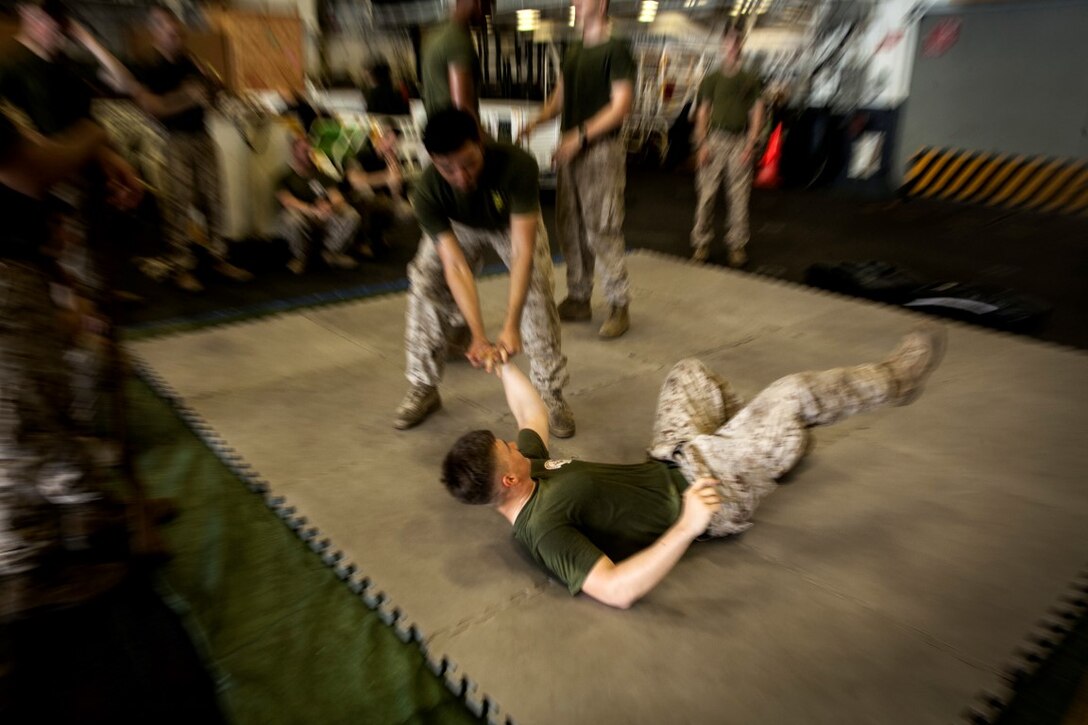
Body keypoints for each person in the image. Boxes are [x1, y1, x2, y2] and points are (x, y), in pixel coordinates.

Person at [441, 323, 947, 609]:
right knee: (791, 395)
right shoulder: (544, 529)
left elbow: (529, 412)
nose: (515, 443)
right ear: (507, 480)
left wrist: (502, 363)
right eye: (508, 449)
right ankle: (898, 381)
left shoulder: (525, 474)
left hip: (674, 455)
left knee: (689, 375)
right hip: (707, 488)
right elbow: (616, 590)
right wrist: (686, 527)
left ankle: (773, 446)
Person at [0, 112, 142, 617]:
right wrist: (95, 133)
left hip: (20, 271)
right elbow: (28, 167)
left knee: (40, 406)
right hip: (7, 279)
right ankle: (28, 566)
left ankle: (86, 517)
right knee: (19, 425)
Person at [396, 108, 575, 438]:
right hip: (459, 226)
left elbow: (522, 252)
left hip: (510, 223)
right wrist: (480, 335)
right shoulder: (427, 190)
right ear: (434, 161)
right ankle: (424, 385)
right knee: (424, 282)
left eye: (469, 164)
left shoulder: (517, 165)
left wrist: (510, 327)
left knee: (536, 286)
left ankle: (550, 393)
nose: (461, 177)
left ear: (481, 142)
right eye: (447, 169)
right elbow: (455, 265)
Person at [520, 0, 636, 339]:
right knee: (569, 223)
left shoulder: (616, 49)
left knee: (601, 225)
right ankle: (579, 297)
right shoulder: (572, 50)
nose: (574, 3)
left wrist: (581, 135)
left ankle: (618, 303)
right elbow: (560, 96)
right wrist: (537, 120)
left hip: (600, 150)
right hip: (571, 149)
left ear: (600, 4)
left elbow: (621, 106)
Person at [129, 3, 252, 292]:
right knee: (179, 203)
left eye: (175, 27)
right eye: (165, 26)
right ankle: (181, 265)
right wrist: (187, 96)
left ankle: (218, 258)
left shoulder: (191, 63)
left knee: (215, 199)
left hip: (202, 135)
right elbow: (154, 110)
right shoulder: (149, 67)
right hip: (175, 141)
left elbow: (211, 95)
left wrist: (214, 86)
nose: (173, 31)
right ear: (154, 32)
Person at [690, 27, 765, 268]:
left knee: (739, 197)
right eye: (729, 43)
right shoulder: (711, 79)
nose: (732, 48)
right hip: (715, 139)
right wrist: (702, 144)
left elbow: (757, 113)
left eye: (736, 43)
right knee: (706, 194)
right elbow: (703, 113)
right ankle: (701, 243)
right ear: (723, 46)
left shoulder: (750, 80)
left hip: (739, 141)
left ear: (741, 46)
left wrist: (750, 144)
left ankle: (736, 245)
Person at [275, 134, 361, 274]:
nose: (308, 154)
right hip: (304, 216)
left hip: (324, 215)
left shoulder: (321, 175)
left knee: (351, 214)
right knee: (290, 218)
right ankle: (301, 258)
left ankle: (331, 254)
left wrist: (330, 207)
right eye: (304, 150)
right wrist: (311, 209)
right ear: (294, 151)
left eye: (309, 150)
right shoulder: (286, 177)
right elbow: (287, 200)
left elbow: (337, 197)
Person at [345, 121, 409, 256]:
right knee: (373, 200)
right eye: (389, 141)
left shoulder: (392, 160)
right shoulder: (362, 155)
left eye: (395, 142)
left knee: (402, 210)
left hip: (379, 199)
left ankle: (377, 236)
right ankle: (361, 241)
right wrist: (385, 177)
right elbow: (356, 181)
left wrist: (395, 180)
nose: (392, 146)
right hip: (355, 198)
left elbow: (396, 193)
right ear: (380, 139)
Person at [419, 0, 486, 119]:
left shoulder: (434, 35)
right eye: (489, 3)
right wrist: (492, 138)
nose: (489, 9)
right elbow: (462, 115)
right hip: (456, 136)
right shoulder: (457, 41)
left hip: (437, 134)